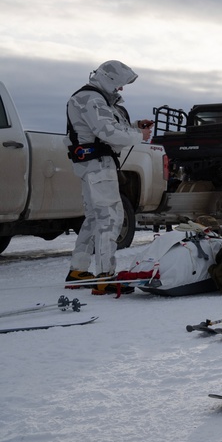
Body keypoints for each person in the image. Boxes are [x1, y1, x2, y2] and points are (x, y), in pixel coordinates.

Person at [65, 61, 152, 290]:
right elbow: (108, 132)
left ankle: (78, 271)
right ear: (109, 79)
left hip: (92, 164)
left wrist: (134, 126)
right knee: (110, 218)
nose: (121, 90)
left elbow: (107, 125)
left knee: (94, 218)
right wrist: (140, 136)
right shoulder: (91, 99)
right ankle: (105, 277)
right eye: (120, 85)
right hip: (98, 165)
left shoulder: (95, 99)